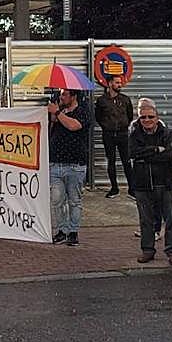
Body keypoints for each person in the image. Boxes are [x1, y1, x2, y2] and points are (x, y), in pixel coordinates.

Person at [129, 98, 172, 265]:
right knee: (146, 220)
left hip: (166, 181)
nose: (147, 120)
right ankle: (147, 250)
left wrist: (145, 155)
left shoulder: (166, 133)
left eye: (150, 117)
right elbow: (132, 153)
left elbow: (169, 155)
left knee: (170, 220)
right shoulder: (134, 133)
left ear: (157, 118)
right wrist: (155, 149)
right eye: (143, 117)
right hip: (143, 183)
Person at [48, 88, 92, 246]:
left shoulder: (83, 111)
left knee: (74, 201)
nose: (62, 97)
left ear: (74, 96)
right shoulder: (59, 111)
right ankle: (61, 230)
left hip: (75, 164)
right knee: (57, 200)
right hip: (55, 163)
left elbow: (73, 126)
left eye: (65, 94)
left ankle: (73, 232)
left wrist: (57, 112)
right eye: (61, 94)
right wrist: (53, 116)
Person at [95, 74, 134, 197]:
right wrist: (106, 126)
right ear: (110, 84)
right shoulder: (102, 100)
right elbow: (98, 117)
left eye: (120, 83)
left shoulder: (125, 99)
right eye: (117, 82)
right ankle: (114, 188)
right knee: (111, 161)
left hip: (123, 134)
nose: (119, 85)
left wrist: (124, 125)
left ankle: (132, 189)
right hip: (109, 134)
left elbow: (130, 115)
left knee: (126, 161)